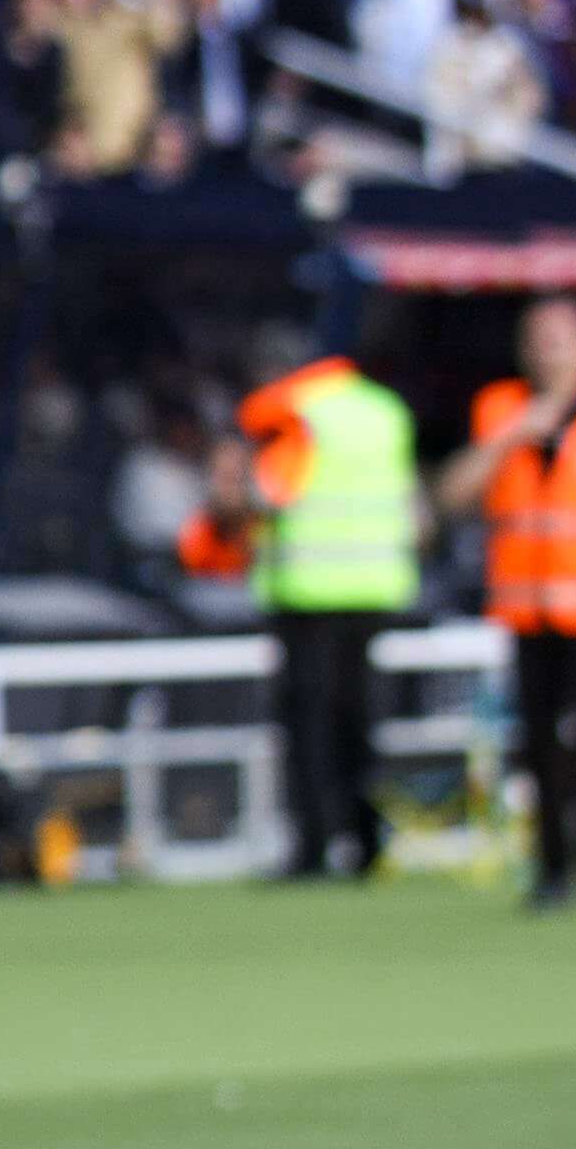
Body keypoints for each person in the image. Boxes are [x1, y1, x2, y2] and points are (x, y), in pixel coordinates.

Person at [190, 347, 419, 879]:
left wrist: (226, 503)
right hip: (375, 582)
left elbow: (270, 494)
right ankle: (367, 840)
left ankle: (314, 846)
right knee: (359, 718)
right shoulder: (383, 409)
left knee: (308, 723)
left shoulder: (289, 414)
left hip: (307, 588)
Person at [443, 295, 576, 914]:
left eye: (559, 340)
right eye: (536, 341)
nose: (546, 354)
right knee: (538, 741)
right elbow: (453, 495)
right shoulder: (500, 408)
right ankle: (552, 869)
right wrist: (515, 435)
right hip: (527, 607)